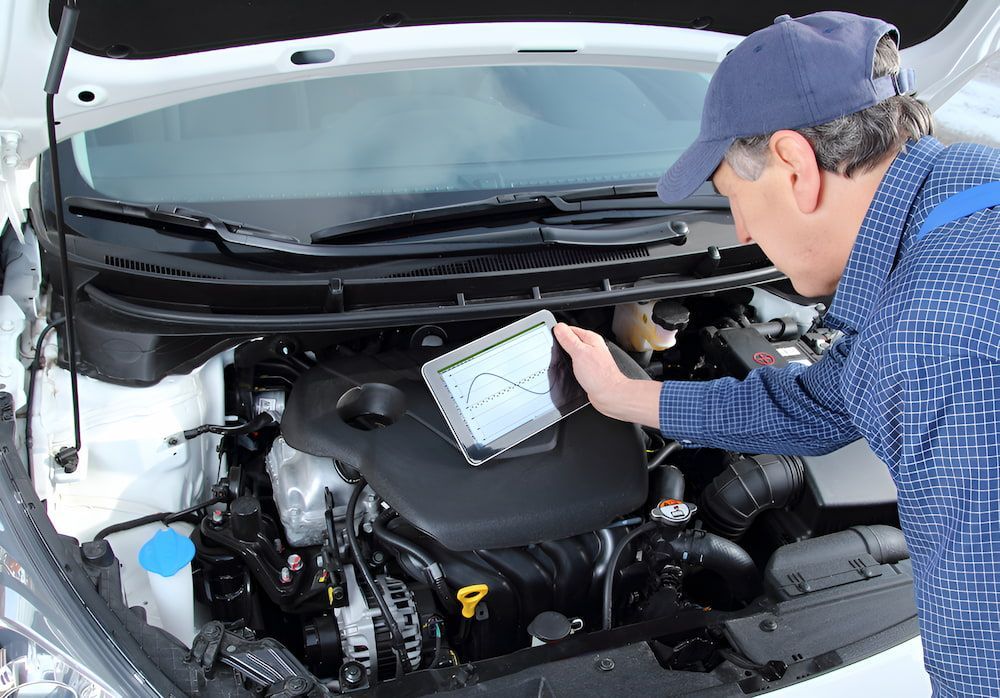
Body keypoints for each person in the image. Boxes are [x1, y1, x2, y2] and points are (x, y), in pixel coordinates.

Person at [554, 11, 1000, 698]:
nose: (737, 228)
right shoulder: (970, 188)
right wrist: (631, 398)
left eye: (734, 196)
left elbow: (985, 654)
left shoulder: (935, 340)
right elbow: (825, 401)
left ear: (794, 163)